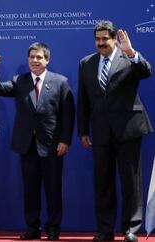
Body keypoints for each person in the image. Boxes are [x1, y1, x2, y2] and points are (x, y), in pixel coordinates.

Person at [0, 42, 75, 241]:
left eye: (39, 57)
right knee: (30, 190)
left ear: (47, 60)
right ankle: (32, 228)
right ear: (28, 60)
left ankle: (53, 229)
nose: (35, 60)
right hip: (27, 145)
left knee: (53, 190)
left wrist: (65, 140)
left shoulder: (61, 82)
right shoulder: (20, 80)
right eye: (32, 57)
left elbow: (68, 115)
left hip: (52, 145)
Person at [77, 20, 153, 242]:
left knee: (131, 182)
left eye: (105, 39)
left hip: (128, 129)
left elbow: (146, 71)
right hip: (100, 131)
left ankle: (130, 229)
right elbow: (83, 99)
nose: (101, 44)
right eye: (97, 39)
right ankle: (105, 230)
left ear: (114, 39)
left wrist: (130, 52)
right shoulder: (86, 63)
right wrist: (83, 130)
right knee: (103, 183)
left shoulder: (127, 57)